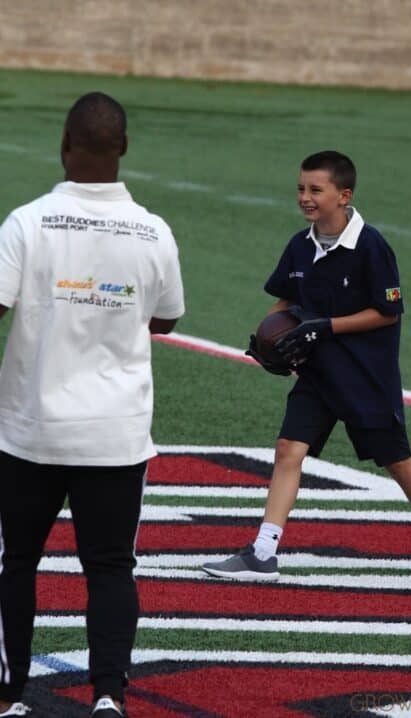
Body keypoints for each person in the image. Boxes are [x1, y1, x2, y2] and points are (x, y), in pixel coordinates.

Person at [0, 93, 185, 718]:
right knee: (110, 567)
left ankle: (9, 694)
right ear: (124, 148)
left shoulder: (28, 222)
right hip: (115, 432)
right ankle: (108, 694)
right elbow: (166, 318)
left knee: (16, 560)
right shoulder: (154, 230)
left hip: (32, 428)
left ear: (64, 144)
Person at [202, 150, 411, 583]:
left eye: (315, 190)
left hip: (365, 376)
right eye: (301, 188)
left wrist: (325, 327)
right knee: (288, 450)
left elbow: (388, 312)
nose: (305, 197)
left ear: (344, 195)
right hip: (317, 374)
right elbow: (285, 299)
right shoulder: (300, 245)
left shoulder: (371, 246)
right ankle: (263, 552)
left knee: (396, 460)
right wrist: (265, 335)